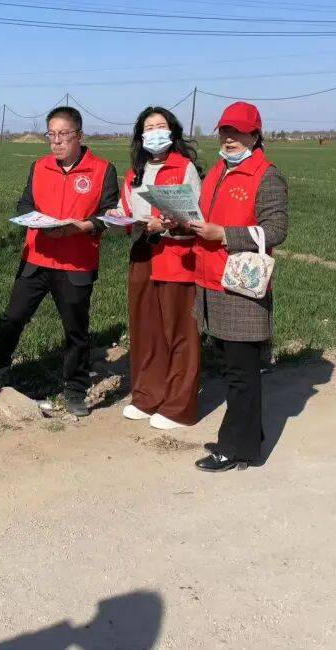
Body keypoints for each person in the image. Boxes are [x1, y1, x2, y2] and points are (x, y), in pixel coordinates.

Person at [0, 106, 120, 417]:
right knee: (13, 317)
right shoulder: (39, 166)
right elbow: (24, 203)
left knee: (75, 329)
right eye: (51, 135)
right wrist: (37, 221)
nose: (56, 142)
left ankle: (75, 388)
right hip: (37, 256)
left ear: (79, 136)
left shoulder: (102, 170)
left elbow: (109, 214)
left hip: (76, 262)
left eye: (63, 135)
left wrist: (79, 227)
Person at [187, 102, 288, 472]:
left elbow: (276, 229)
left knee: (241, 374)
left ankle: (235, 448)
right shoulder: (217, 171)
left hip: (241, 286)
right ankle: (247, 437)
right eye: (225, 131)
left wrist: (225, 235)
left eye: (238, 132)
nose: (229, 138)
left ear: (255, 136)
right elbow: (204, 217)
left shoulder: (266, 175)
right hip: (211, 280)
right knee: (234, 367)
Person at [107, 106, 203, 430]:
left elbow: (198, 217)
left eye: (161, 126)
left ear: (172, 132)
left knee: (179, 332)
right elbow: (125, 209)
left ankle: (179, 407)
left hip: (176, 256)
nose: (155, 133)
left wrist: (171, 223)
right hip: (142, 254)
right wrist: (117, 216)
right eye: (149, 128)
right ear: (140, 136)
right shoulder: (134, 173)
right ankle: (148, 396)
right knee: (146, 330)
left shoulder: (184, 168)